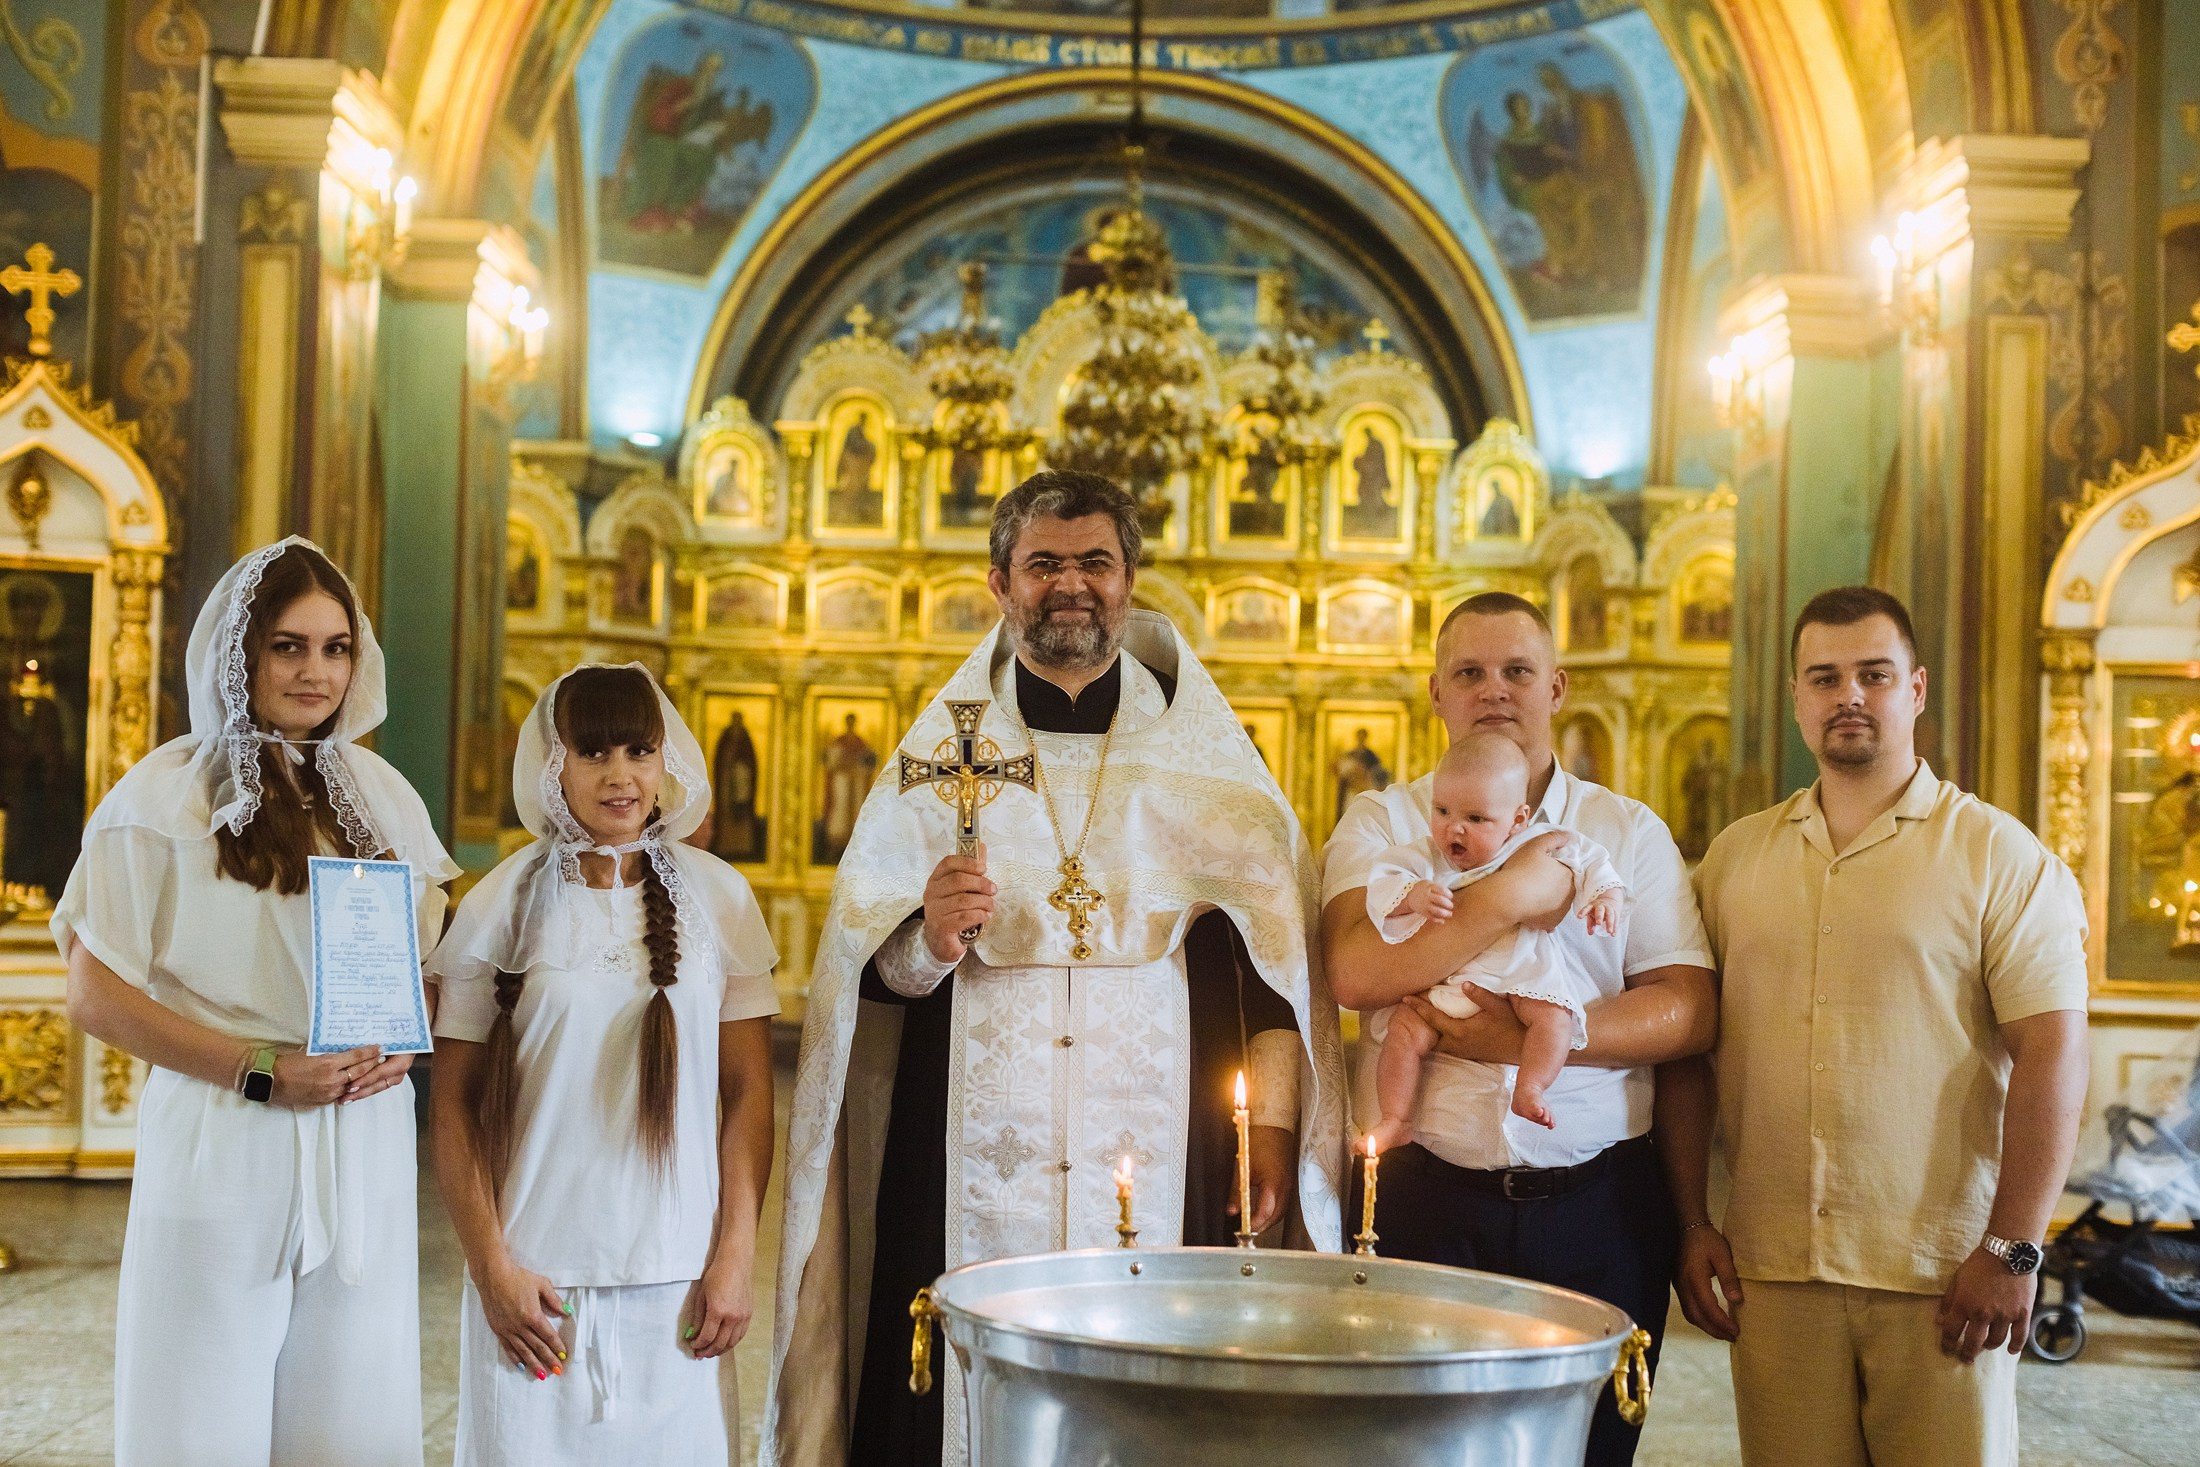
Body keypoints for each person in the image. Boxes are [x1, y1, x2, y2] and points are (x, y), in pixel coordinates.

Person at [763, 471, 1345, 1467]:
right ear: (1000, 584)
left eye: (1093, 562)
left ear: (1129, 580)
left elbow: (1269, 973)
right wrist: (927, 940)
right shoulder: (938, 764)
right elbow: (861, 972)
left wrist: (1276, 1133)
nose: (1070, 585)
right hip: (965, 1144)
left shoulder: (1211, 773)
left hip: (1166, 1138)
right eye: (1043, 564)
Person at [54, 537, 458, 1466]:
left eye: (336, 647)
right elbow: (93, 991)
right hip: (226, 1126)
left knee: (351, 1423)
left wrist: (408, 1031)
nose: (317, 671)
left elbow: (428, 967)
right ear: (240, 655)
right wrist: (260, 1068)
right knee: (199, 1415)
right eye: (289, 646)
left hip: (362, 1135)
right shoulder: (165, 797)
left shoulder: (383, 797)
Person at [1671, 588, 2091, 1467]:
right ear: (1796, 697)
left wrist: (2014, 1248)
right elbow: (1687, 1056)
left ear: (1917, 689)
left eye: (1874, 674)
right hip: (1775, 1266)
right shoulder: (1735, 859)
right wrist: (1690, 1220)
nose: (1849, 696)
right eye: (1825, 678)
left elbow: (2052, 1053)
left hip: (1944, 1271)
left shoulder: (1997, 855)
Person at [1319, 590, 1715, 1467]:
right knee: (1416, 1451)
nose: (1493, 688)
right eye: (1469, 671)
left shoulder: (1624, 833)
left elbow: (1689, 1007)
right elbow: (1354, 971)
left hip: (1599, 1208)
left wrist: (1532, 1041)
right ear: (1436, 692)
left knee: (1589, 1449)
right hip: (1425, 1201)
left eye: (1517, 670)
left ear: (1557, 686)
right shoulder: (1385, 821)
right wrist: (1507, 895)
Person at [427, 663, 778, 1465]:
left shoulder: (720, 900)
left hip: (680, 1280)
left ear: (665, 759)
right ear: (554, 765)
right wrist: (491, 1267)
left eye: (638, 750)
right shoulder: (498, 906)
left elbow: (748, 1092)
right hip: (533, 1288)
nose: (620, 775)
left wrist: (734, 1255)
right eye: (593, 753)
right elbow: (452, 1108)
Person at [1364, 732, 1625, 1146]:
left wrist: (1605, 896)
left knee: (1554, 1021)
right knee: (1403, 1032)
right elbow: (1382, 885)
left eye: (1475, 818)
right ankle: (1396, 1118)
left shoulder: (1536, 842)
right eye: (1442, 810)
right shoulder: (1423, 856)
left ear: (1518, 820)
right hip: (1445, 981)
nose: (1454, 828)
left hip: (1520, 972)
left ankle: (1531, 1087)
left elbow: (1591, 858)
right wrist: (1412, 895)